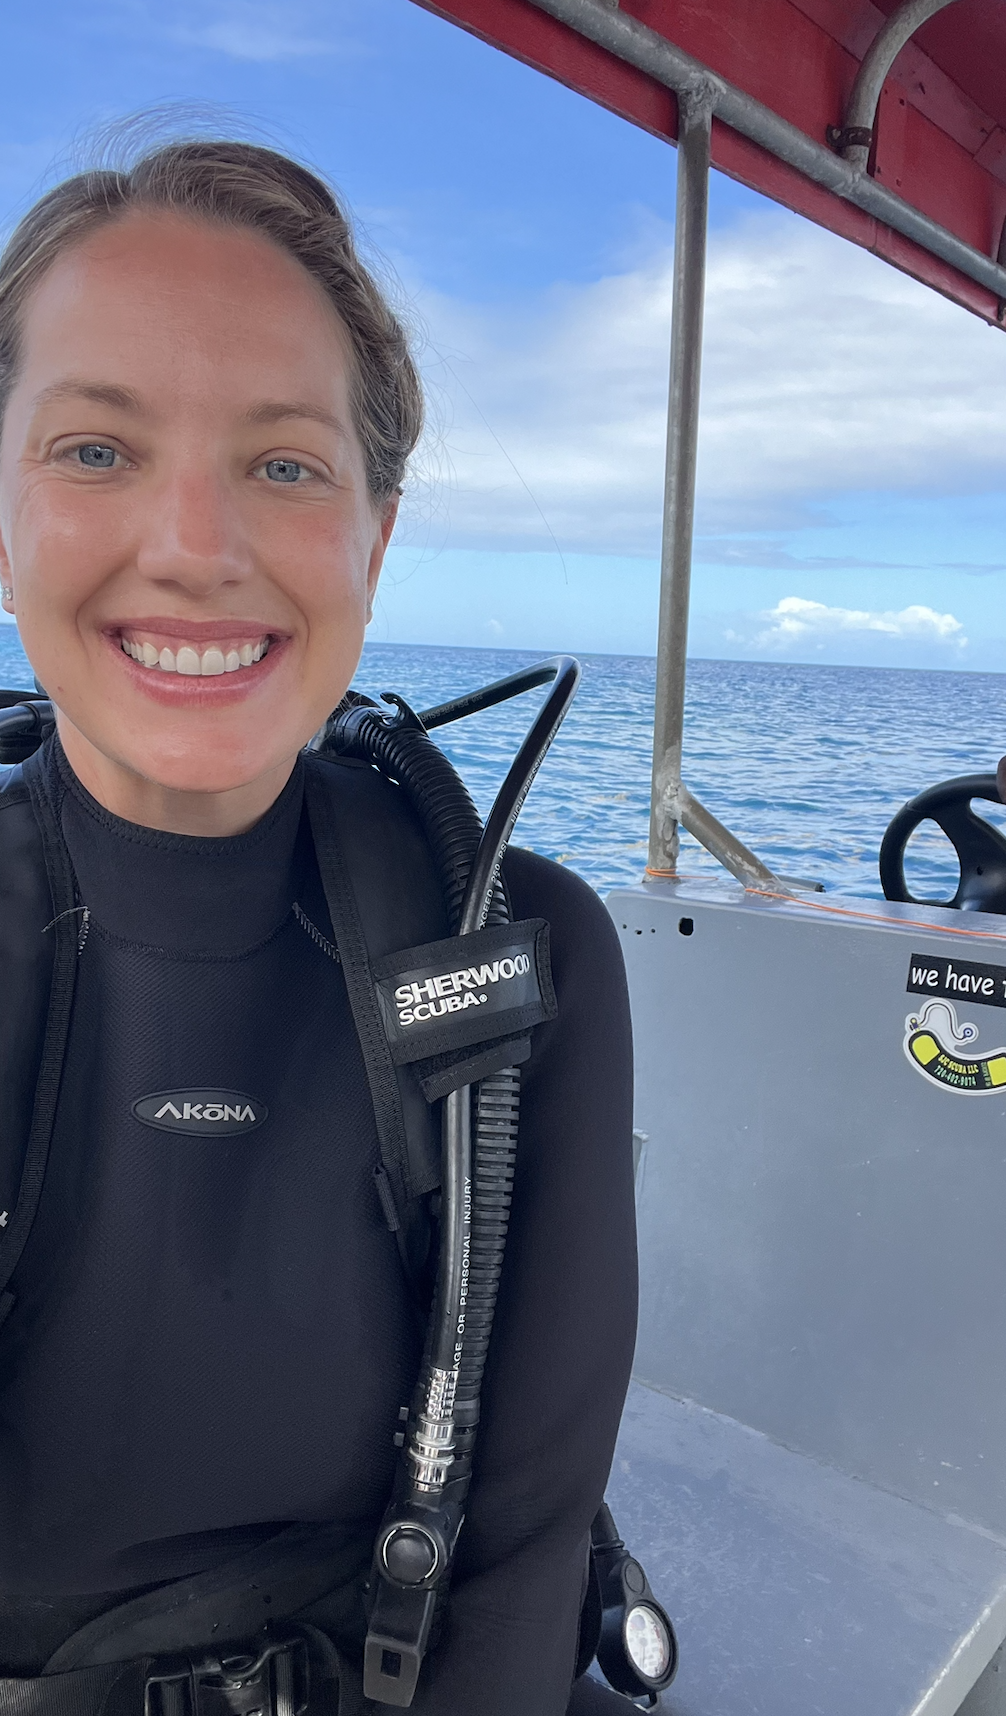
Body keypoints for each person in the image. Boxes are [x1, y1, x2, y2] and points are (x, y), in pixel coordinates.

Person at [0, 139, 638, 1714]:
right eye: (95, 450)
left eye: (285, 465)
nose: (198, 547)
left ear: (377, 531)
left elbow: (522, 1542)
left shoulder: (517, 951)